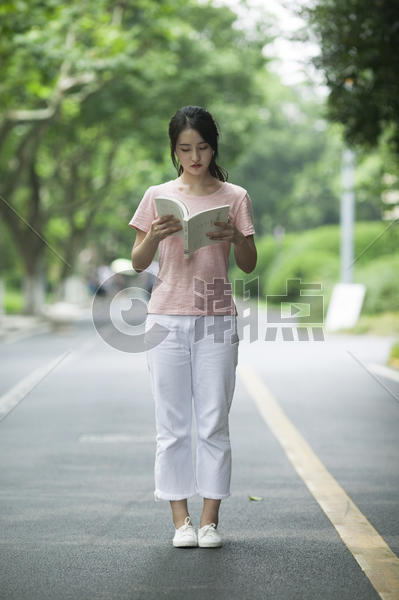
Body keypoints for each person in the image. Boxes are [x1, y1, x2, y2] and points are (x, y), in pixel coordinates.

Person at [128, 105, 257, 548]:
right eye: (185, 148)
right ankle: (180, 521)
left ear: (213, 146)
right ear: (174, 150)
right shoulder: (157, 194)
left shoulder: (234, 196)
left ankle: (209, 521)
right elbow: (138, 261)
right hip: (165, 315)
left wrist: (236, 237)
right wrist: (156, 236)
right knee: (172, 423)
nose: (194, 156)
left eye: (202, 147)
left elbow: (248, 263)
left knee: (213, 421)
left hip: (217, 316)